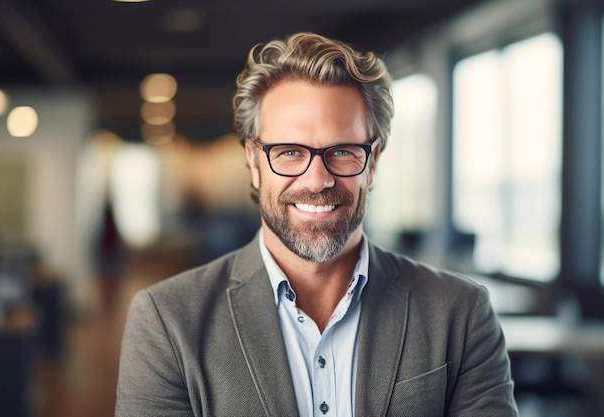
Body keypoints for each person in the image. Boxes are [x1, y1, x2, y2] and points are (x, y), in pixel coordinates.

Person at [115, 32, 519, 417]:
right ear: (254, 163)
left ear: (373, 163)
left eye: (342, 151)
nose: (317, 180)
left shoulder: (460, 314)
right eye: (290, 152)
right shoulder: (167, 321)